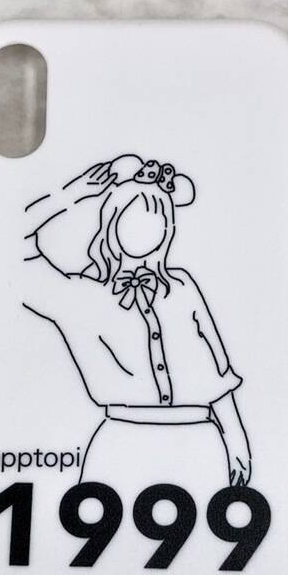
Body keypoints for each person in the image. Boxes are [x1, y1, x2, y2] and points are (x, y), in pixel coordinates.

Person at [21, 155, 251, 496]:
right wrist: (73, 192)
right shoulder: (82, 295)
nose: (147, 224)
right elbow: (9, 249)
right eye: (134, 213)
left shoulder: (182, 287)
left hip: (199, 440)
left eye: (158, 215)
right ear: (112, 220)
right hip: (123, 439)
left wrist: (236, 437)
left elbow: (217, 367)